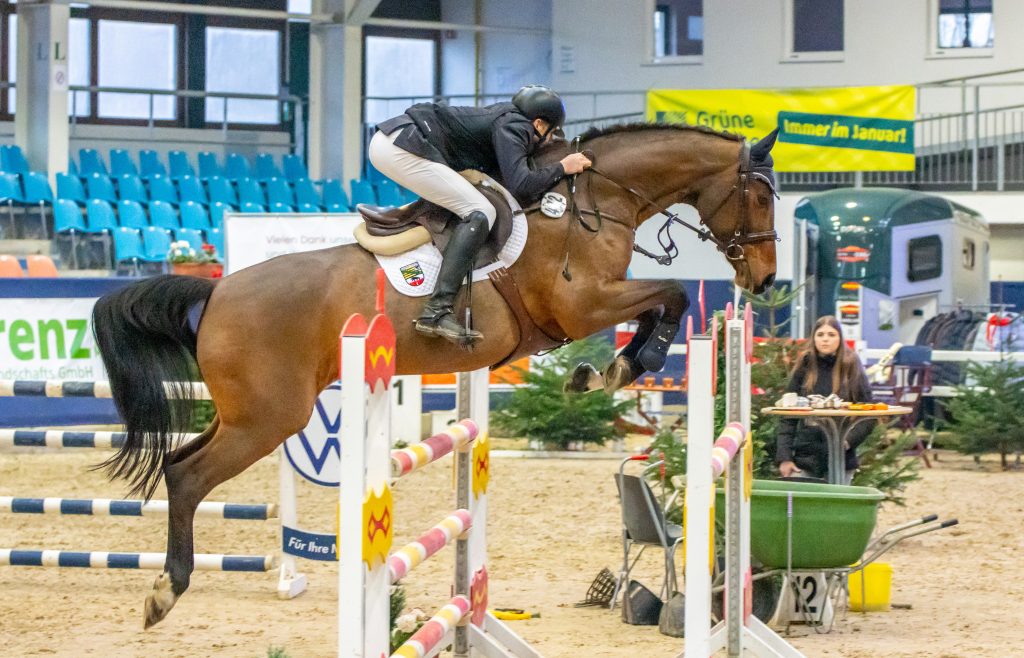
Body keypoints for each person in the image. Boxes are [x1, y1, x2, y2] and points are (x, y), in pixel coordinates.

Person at [367, 84, 593, 345]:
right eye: (550, 133)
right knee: (480, 210)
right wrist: (563, 167)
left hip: (399, 141)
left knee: (471, 203)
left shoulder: (507, 121)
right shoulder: (517, 127)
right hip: (402, 146)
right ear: (539, 124)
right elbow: (522, 184)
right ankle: (437, 310)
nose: (549, 139)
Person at [776, 315, 874, 484]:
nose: (825, 339)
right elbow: (788, 415)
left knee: (837, 500)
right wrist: (784, 457)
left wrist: (847, 442)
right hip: (805, 457)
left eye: (831, 334)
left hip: (841, 457)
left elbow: (869, 413)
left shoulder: (851, 364)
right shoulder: (805, 364)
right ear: (813, 338)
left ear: (840, 338)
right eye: (820, 334)